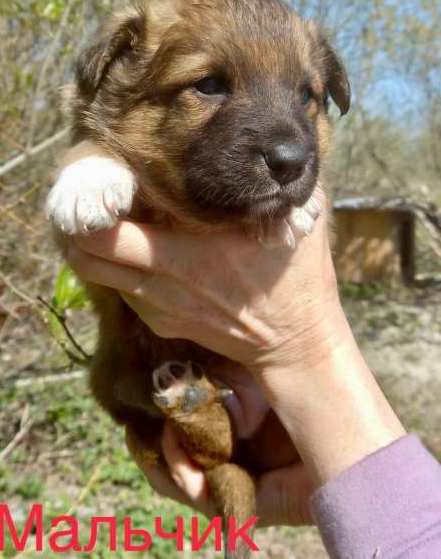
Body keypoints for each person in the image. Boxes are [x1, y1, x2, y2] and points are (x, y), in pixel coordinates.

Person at [68, 197, 441, 558]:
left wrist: (300, 344)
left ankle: (208, 423)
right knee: (139, 397)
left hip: (249, 418)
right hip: (200, 402)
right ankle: (208, 426)